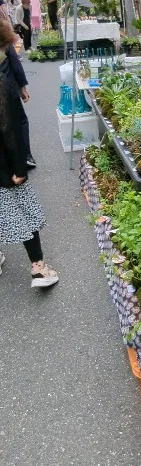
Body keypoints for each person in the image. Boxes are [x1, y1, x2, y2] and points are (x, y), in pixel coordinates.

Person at [0, 23, 58, 288]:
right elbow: (11, 127)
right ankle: (38, 267)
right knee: (23, 210)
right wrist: (20, 168)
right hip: (6, 164)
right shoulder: (2, 81)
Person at [0, 19, 36, 168]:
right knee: (19, 121)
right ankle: (25, 155)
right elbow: (16, 65)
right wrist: (22, 88)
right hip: (8, 90)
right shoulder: (4, 41)